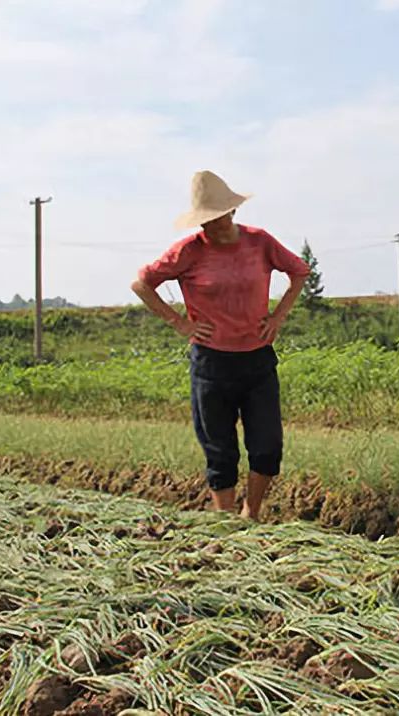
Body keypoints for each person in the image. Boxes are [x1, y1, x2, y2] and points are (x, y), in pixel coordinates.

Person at [131, 171, 309, 521]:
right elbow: (142, 284)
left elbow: (299, 271)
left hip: (257, 361)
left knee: (267, 446)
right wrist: (179, 322)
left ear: (232, 212)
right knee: (219, 449)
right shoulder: (189, 250)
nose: (211, 227)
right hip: (211, 364)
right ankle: (225, 522)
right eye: (204, 221)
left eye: (217, 218)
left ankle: (251, 514)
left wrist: (278, 317)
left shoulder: (260, 243)